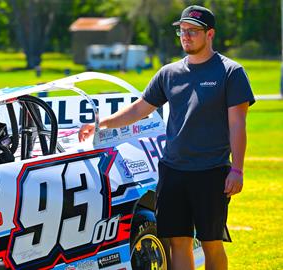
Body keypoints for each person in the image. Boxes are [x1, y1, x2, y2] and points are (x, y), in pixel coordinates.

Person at [79, 5, 255, 270]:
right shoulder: (169, 73)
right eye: (182, 31)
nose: (186, 36)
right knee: (178, 241)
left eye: (193, 31)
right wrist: (102, 123)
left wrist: (238, 169)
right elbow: (140, 109)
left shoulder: (231, 72)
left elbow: (237, 124)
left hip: (212, 171)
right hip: (173, 171)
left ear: (210, 34)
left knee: (211, 242)